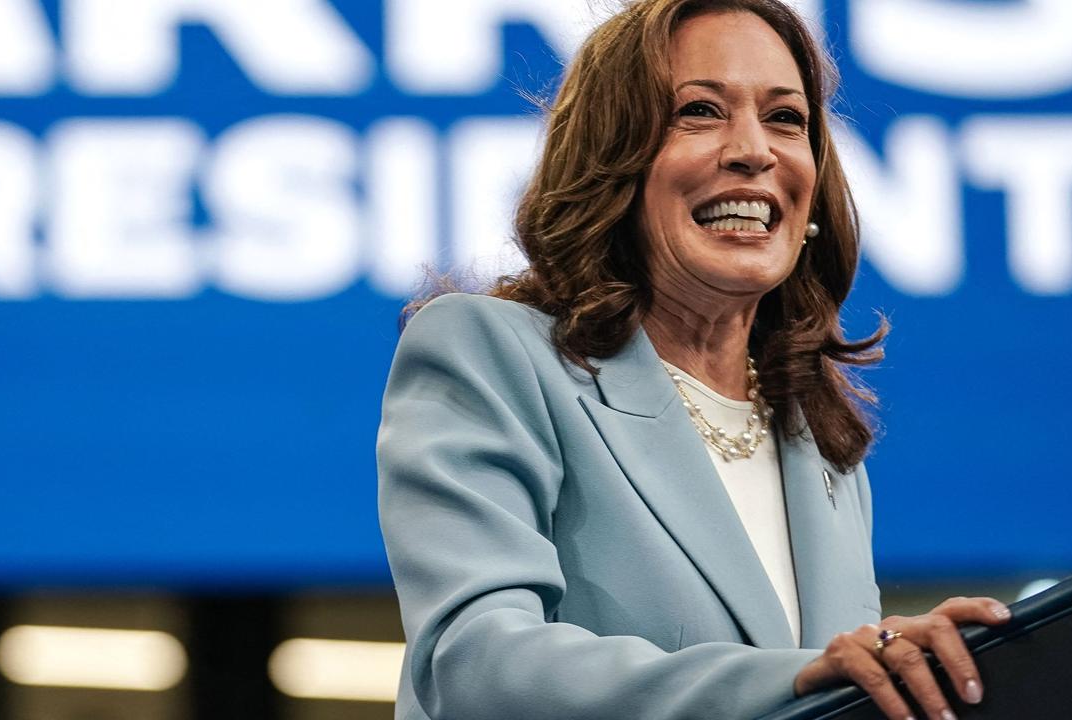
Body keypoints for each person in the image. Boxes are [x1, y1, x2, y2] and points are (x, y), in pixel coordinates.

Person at [377, 1, 1011, 718]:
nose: (753, 150)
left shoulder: (821, 444)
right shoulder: (491, 351)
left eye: (785, 119)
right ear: (613, 160)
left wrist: (919, 671)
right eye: (701, 111)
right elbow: (477, 666)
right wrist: (794, 679)